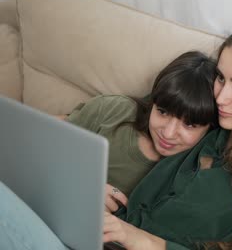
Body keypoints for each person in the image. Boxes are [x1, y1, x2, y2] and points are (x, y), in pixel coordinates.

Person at [0, 23, 232, 250]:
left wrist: (146, 242)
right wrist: (83, 194)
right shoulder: (211, 133)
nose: (219, 97)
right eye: (221, 78)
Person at [60, 51, 219, 197]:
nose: (168, 133)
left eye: (189, 124)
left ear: (210, 127)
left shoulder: (193, 174)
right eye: (162, 112)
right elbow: (46, 139)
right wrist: (87, 185)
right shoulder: (113, 109)